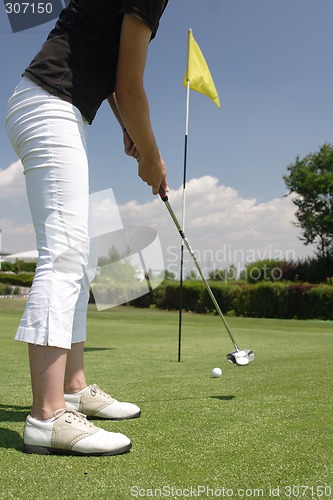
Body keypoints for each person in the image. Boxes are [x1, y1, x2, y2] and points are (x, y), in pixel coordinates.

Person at [5, 0, 169, 456]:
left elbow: (116, 79)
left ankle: (73, 390)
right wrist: (153, 158)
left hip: (55, 107)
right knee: (65, 254)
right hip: (49, 103)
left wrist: (130, 128)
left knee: (77, 260)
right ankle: (47, 416)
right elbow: (130, 86)